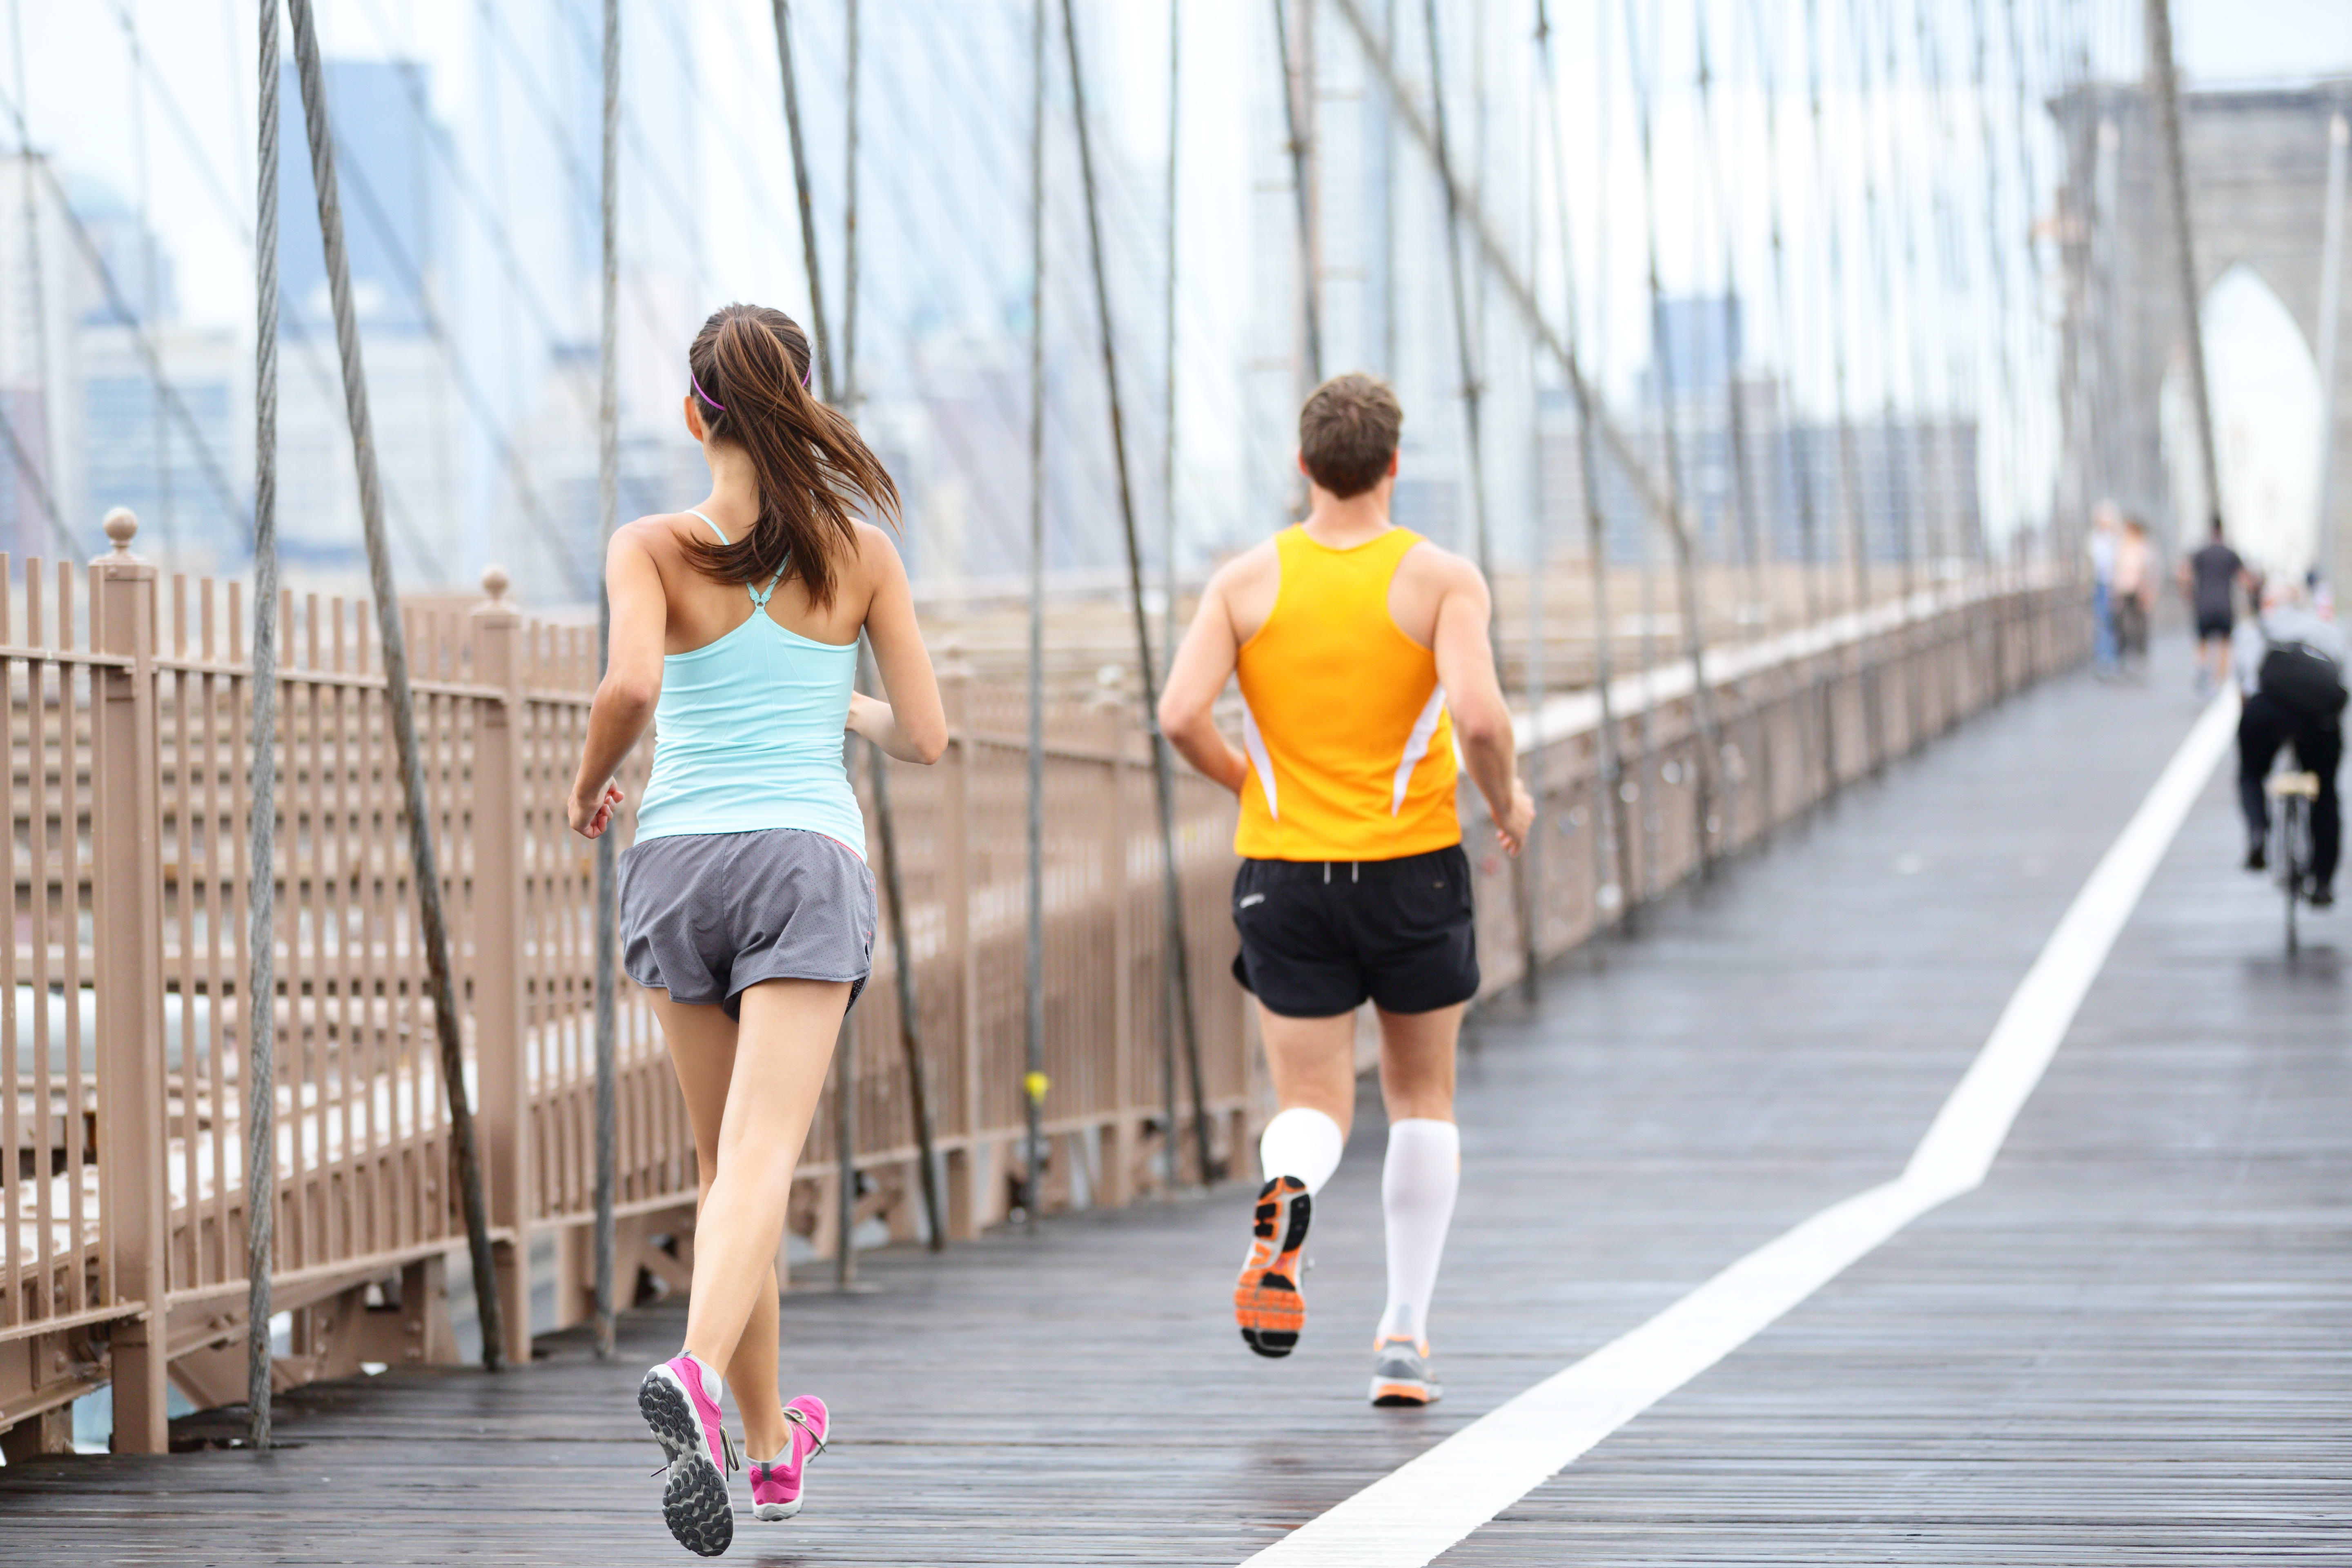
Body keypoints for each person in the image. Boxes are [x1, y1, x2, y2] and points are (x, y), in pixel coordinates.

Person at [568, 303, 944, 1555]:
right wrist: (853, 707)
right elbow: (931, 735)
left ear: (694, 413)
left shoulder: (651, 544)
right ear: (802, 403)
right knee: (764, 1158)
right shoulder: (862, 552)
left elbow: (629, 686)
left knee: (727, 1170)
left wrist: (587, 787)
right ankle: (693, 1376)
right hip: (802, 859)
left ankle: (771, 1446)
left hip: (676, 856)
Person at [1156, 372, 1534, 1409]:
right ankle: (1403, 1337)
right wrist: (1504, 799)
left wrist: (1252, 782)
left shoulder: (1242, 581)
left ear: (1302, 465)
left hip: (1284, 876)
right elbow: (1482, 717)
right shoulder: (1439, 579)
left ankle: (1288, 1194)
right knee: (1420, 1097)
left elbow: (1179, 712)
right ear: (1393, 465)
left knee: (1313, 1101)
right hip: (1410, 869)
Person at [2234, 579, 2346, 907]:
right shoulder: (2326, 628)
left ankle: (2258, 832)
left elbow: (2243, 686)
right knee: (2325, 791)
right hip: (2317, 718)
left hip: (2266, 711)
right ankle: (2323, 881)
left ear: (2267, 603)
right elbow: (2342, 678)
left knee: (2251, 773)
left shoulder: (2254, 631)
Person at [2177, 514, 2253, 696]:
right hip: (2225, 606)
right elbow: (2245, 580)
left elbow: (2183, 573)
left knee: (2202, 643)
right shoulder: (2230, 554)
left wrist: (2188, 591)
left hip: (2203, 605)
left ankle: (2202, 670)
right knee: (2225, 646)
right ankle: (2218, 685)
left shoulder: (2200, 553)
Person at [2110, 515, 2157, 679]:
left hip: (2139, 592)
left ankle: (2140, 662)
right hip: (2124, 592)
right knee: (2122, 628)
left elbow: (2150, 572)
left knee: (2139, 628)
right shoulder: (2121, 548)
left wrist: (2148, 592)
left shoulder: (2144, 548)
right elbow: (2116, 572)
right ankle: (2124, 662)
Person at [2089, 504, 2120, 678]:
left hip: (2113, 585)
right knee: (2102, 623)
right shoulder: (2094, 539)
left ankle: (2112, 659)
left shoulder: (2114, 539)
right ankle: (2104, 660)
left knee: (2112, 623)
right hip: (2100, 585)